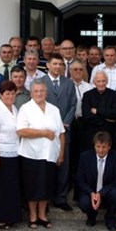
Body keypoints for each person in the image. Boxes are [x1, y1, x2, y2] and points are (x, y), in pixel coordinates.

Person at [17, 79, 65, 229]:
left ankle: (42, 215)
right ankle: (32, 215)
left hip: (50, 153)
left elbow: (61, 133)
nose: (39, 93)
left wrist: (61, 153)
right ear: (31, 93)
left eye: (42, 91)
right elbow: (21, 131)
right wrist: (43, 133)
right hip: (31, 154)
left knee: (46, 185)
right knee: (32, 186)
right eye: (36, 91)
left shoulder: (54, 109)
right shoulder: (25, 108)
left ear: (46, 92)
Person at [42, 53, 77, 211]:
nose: (57, 67)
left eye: (60, 64)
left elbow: (73, 104)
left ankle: (61, 198)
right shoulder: (40, 82)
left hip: (65, 130)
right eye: (54, 64)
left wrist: (64, 123)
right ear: (48, 65)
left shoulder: (69, 83)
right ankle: (45, 198)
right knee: (46, 166)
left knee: (63, 166)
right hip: (46, 132)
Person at [0, 81, 22, 229]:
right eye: (7, 93)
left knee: (11, 188)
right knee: (0, 189)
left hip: (14, 153)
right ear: (1, 95)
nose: (10, 96)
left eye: (13, 93)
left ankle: (10, 217)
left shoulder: (14, 108)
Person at [76, 132, 116, 231]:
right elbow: (80, 180)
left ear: (109, 146)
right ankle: (91, 216)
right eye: (98, 146)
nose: (101, 150)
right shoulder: (85, 157)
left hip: (107, 192)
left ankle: (110, 218)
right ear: (94, 145)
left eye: (104, 147)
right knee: (83, 202)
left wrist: (101, 193)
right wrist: (91, 193)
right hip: (91, 192)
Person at [81, 70, 116, 152]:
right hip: (92, 134)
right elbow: (87, 116)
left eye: (103, 81)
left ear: (107, 81)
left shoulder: (115, 95)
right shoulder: (87, 95)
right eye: (98, 81)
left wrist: (97, 111)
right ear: (94, 82)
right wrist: (106, 119)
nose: (101, 83)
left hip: (110, 134)